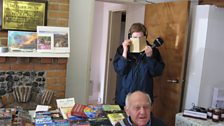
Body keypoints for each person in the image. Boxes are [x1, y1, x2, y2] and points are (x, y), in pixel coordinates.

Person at [113, 23, 165, 109]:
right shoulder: (122, 49)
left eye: (140, 38)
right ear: (130, 37)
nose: (137, 40)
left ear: (145, 37)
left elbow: (157, 72)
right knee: (123, 121)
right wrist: (125, 51)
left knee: (142, 120)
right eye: (135, 38)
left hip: (144, 98)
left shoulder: (152, 51)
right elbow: (120, 70)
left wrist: (150, 57)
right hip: (124, 97)